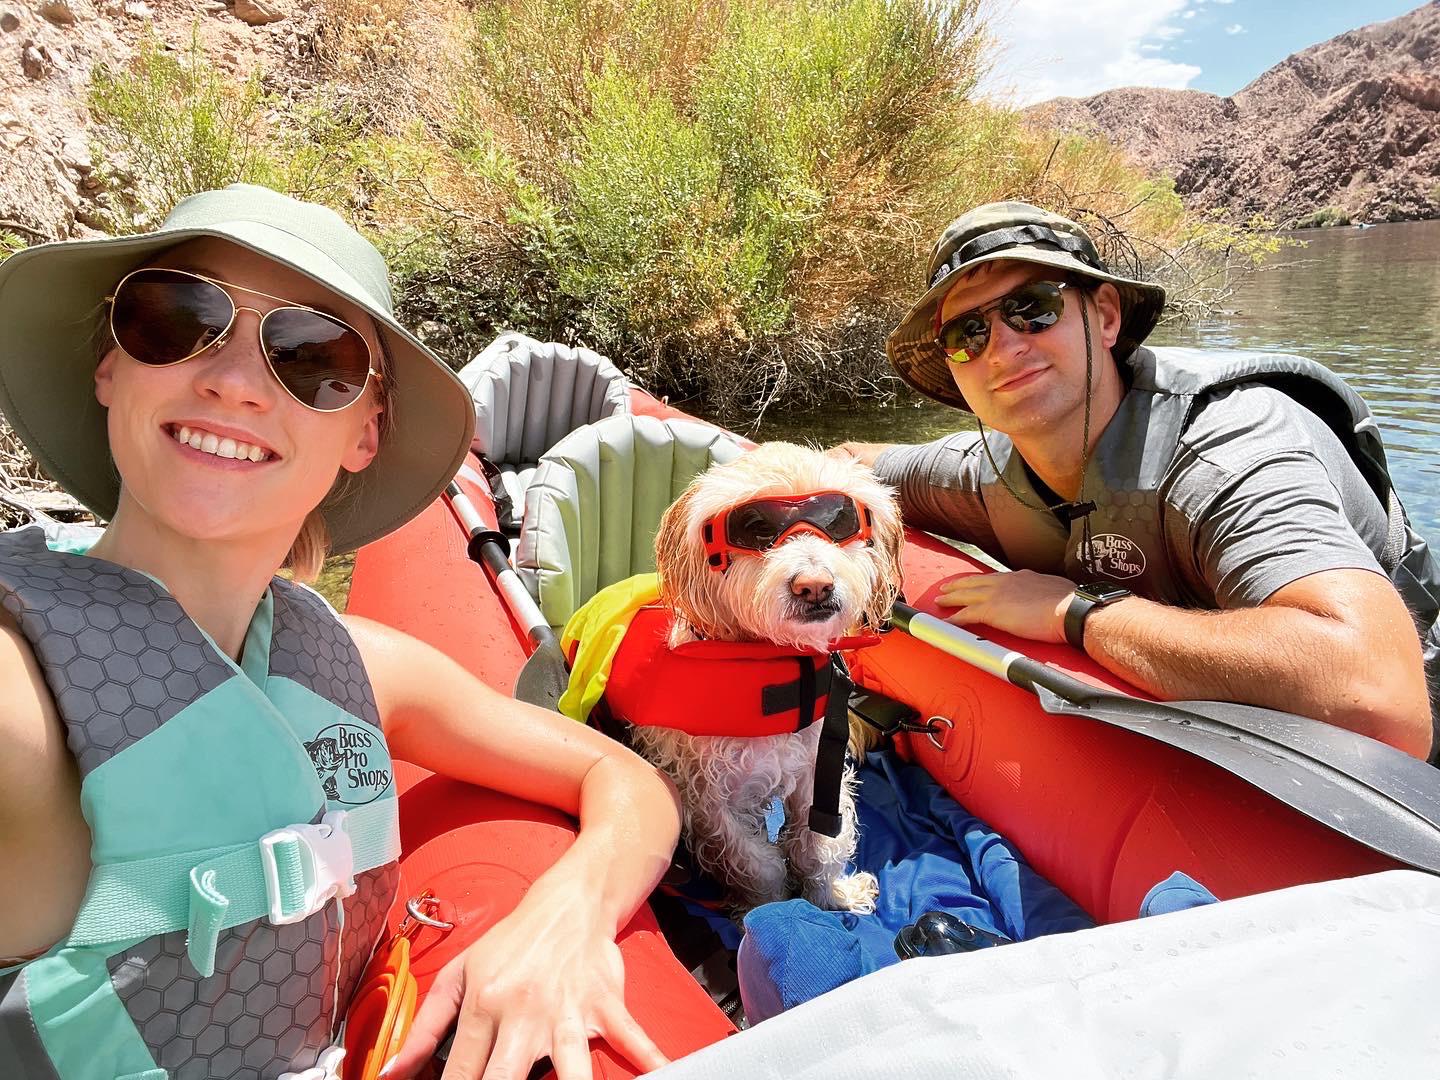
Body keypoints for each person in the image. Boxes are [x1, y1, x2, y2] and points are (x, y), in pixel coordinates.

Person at [0, 185, 681, 1080]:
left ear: (365, 431)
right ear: (110, 368)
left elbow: (621, 777)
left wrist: (571, 911)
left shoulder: (366, 667)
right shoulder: (22, 690)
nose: (233, 382)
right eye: (175, 320)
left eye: (312, 356)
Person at [838, 201, 1440, 761]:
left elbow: (1381, 699)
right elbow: (861, 461)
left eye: (1033, 308)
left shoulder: (1225, 452)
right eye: (966, 333)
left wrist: (1077, 613)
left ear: (1103, 316)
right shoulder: (982, 472)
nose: (1002, 346)